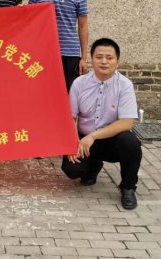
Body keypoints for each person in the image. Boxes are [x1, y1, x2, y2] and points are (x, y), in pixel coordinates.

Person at [61, 38, 142, 210]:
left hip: (112, 140)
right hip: (84, 141)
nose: (104, 61)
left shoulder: (125, 85)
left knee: (130, 143)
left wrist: (93, 136)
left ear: (117, 61)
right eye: (99, 57)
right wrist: (72, 142)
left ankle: (128, 187)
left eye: (109, 57)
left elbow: (127, 123)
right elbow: (70, 117)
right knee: (72, 169)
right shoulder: (79, 83)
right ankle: (93, 166)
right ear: (92, 59)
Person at [28, 0, 89, 91]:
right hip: (43, 52)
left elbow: (83, 26)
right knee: (44, 92)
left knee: (69, 93)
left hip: (70, 52)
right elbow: (30, 21)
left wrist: (83, 58)